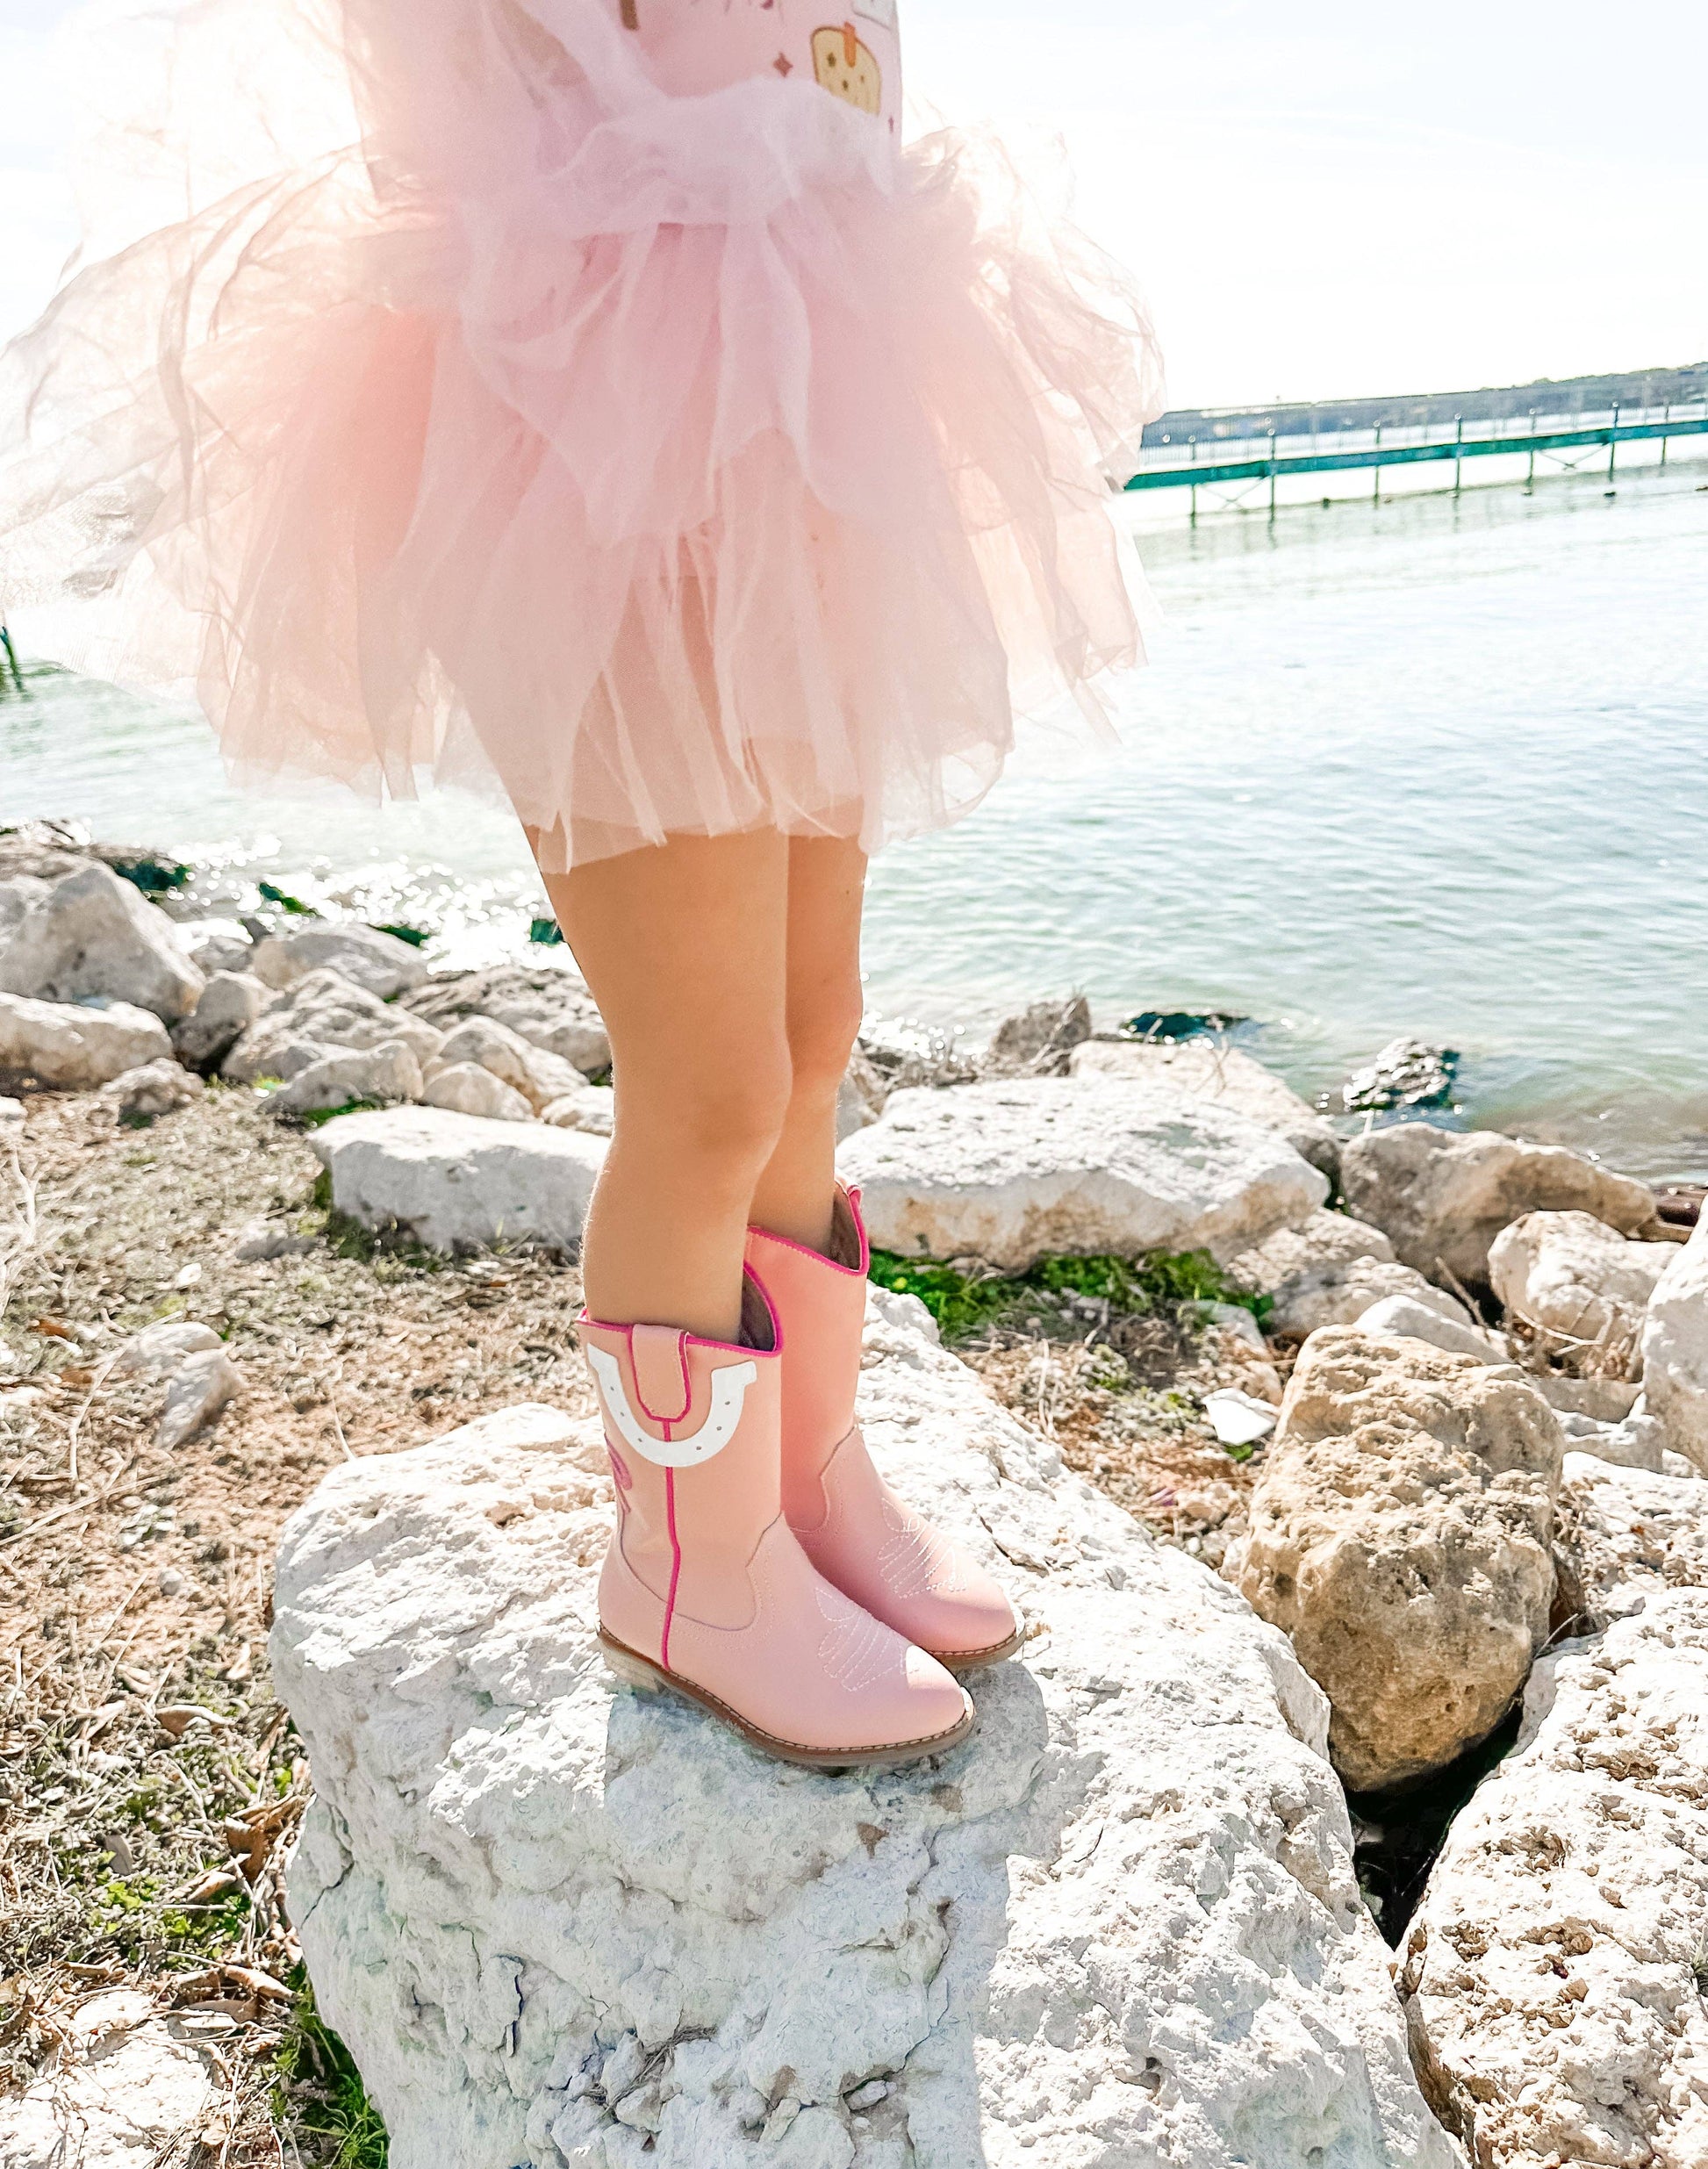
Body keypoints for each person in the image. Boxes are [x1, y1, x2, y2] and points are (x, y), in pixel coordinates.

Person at [0, 0, 1159, 1765]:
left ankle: (802, 1480)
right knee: (706, 1087)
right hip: (600, 454)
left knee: (812, 1026)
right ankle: (690, 1571)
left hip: (809, 435)